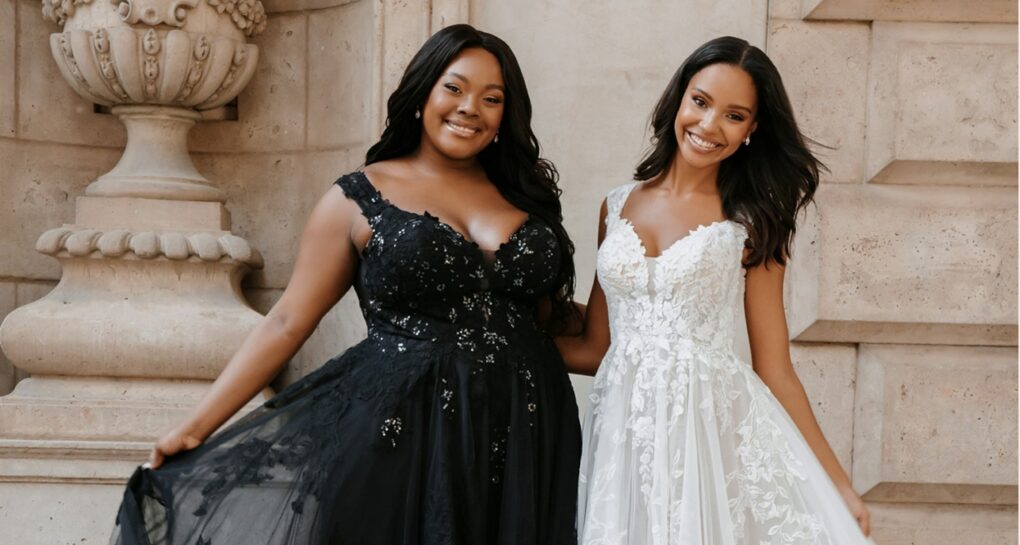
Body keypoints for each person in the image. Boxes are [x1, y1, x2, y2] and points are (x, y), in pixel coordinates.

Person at [111, 24, 581, 545]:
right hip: (402, 434)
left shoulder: (523, 198)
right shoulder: (358, 196)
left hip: (525, 434)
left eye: (491, 98)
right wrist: (196, 425)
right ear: (422, 92)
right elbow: (288, 321)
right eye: (454, 87)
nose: (470, 106)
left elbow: (547, 321)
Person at [558, 36, 873, 544]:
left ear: (752, 130)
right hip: (622, 433)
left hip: (707, 433)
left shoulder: (753, 224)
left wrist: (838, 483)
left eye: (733, 115)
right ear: (680, 98)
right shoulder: (615, 207)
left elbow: (775, 367)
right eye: (701, 102)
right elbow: (598, 347)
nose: (708, 125)